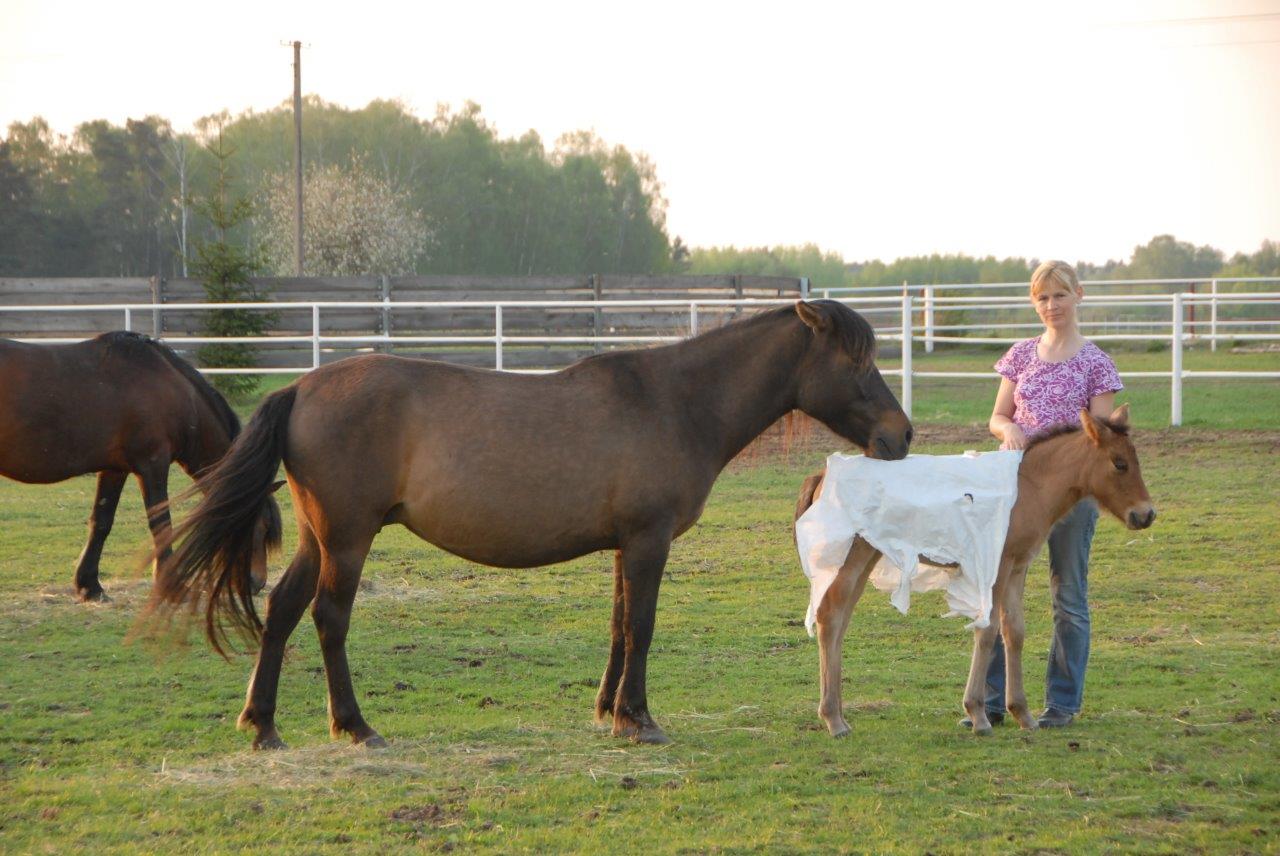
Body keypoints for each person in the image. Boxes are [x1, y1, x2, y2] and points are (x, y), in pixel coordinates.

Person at [969, 259, 1124, 729]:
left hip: (1070, 498)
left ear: (1079, 295)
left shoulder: (1097, 362)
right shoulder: (1020, 355)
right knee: (997, 589)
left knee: (1068, 595)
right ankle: (992, 701)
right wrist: (1009, 427)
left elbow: (1101, 438)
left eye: (1059, 295)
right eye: (1042, 297)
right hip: (1014, 488)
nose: (1051, 305)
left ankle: (1063, 703)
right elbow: (997, 415)